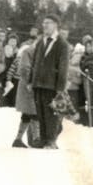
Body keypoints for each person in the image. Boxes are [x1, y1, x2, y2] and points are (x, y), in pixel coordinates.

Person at [29, 15, 70, 149]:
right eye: (44, 23)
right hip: (38, 83)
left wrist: (60, 87)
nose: (45, 25)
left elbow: (64, 67)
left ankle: (51, 140)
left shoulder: (62, 44)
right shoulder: (41, 41)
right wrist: (31, 80)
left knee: (51, 113)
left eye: (48, 23)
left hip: (52, 85)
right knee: (40, 112)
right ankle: (43, 138)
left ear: (56, 25)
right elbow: (34, 62)